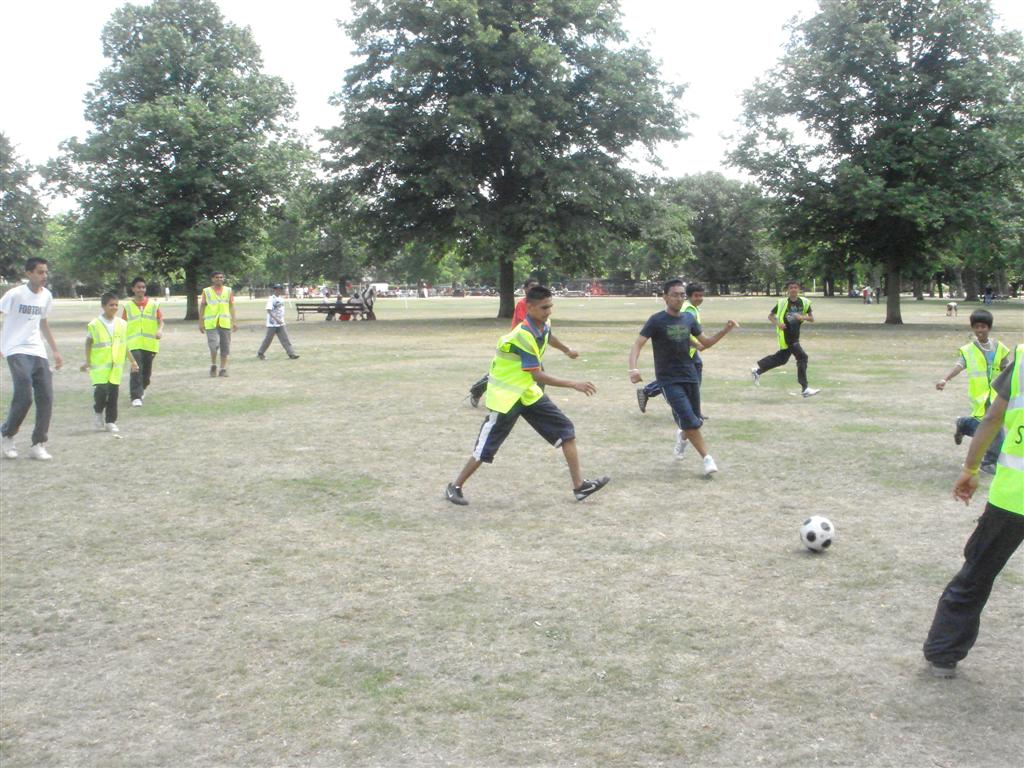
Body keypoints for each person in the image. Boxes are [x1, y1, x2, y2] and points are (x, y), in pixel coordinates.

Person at [445, 285, 609, 505]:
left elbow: (549, 336)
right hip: (506, 398)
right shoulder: (522, 336)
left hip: (527, 394)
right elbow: (537, 375)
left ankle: (580, 487)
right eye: (544, 308)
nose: (549, 311)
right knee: (485, 448)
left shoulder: (542, 324)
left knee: (566, 431)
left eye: (550, 306)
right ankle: (454, 486)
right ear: (529, 307)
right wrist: (574, 384)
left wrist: (566, 350)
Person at [923, 343, 1023, 678]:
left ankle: (942, 653)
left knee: (977, 573)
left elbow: (994, 416)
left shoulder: (1023, 358)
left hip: (1013, 496)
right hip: (1012, 496)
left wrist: (971, 467)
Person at [628, 279, 736, 476]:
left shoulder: (688, 319)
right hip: (668, 379)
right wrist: (633, 369)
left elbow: (705, 343)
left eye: (681, 295)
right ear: (665, 297)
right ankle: (707, 458)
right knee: (689, 419)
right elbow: (637, 345)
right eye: (675, 294)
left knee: (694, 420)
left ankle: (682, 436)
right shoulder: (656, 320)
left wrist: (725, 330)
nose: (679, 298)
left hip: (690, 375)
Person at [0, 257, 64, 460]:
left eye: (46, 272)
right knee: (24, 395)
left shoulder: (47, 296)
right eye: (40, 272)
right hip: (15, 348)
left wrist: (54, 350)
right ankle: (7, 433)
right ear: (28, 273)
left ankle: (38, 443)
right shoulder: (15, 294)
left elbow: (43, 322)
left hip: (37, 350)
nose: (44, 276)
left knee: (46, 395)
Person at [935, 309, 1010, 475]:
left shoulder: (1000, 348)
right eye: (976, 327)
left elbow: (1007, 369)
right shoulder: (969, 350)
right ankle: (989, 462)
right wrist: (945, 379)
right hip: (981, 396)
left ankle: (964, 424)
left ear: (989, 328)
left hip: (997, 395)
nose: (980, 330)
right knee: (995, 428)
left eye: (983, 326)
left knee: (990, 426)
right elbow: (960, 365)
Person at [469, 277, 557, 407]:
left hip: (528, 344)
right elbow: (525, 323)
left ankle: (533, 402)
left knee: (531, 375)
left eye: (536, 286)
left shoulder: (537, 306)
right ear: (525, 289)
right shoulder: (524, 304)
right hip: (518, 344)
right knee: (505, 375)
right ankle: (477, 390)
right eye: (531, 286)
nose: (533, 289)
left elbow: (546, 333)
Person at [751, 280, 820, 397]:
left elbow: (811, 318)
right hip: (787, 336)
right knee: (802, 357)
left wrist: (801, 317)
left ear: (799, 289)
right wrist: (778, 324)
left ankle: (757, 371)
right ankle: (805, 388)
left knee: (782, 359)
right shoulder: (782, 303)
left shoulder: (804, 302)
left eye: (795, 287)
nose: (793, 289)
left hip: (795, 335)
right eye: (791, 288)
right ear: (787, 290)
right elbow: (771, 316)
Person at [81, 293, 139, 433]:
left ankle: (110, 421)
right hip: (100, 366)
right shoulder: (95, 324)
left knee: (113, 394)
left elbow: (124, 345)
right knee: (101, 391)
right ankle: (98, 412)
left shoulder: (122, 324)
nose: (114, 308)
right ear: (103, 306)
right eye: (111, 305)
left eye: (116, 305)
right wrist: (88, 361)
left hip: (115, 367)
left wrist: (133, 362)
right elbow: (88, 342)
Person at [123, 276, 164, 407]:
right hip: (133, 343)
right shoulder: (128, 306)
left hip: (150, 343)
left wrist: (160, 330)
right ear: (133, 289)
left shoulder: (153, 305)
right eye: (138, 287)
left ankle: (142, 388)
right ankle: (135, 396)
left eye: (143, 287)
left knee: (146, 373)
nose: (141, 289)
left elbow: (160, 321)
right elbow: (123, 323)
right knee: (136, 368)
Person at [198, 270, 236, 377]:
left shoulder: (228, 290)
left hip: (225, 322)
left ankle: (223, 369)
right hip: (211, 323)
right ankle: (213, 364)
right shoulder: (206, 291)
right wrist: (200, 322)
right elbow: (202, 307)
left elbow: (232, 306)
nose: (219, 279)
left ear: (223, 279)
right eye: (216, 277)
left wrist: (234, 321)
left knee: (225, 347)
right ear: (212, 279)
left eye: (221, 277)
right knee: (213, 346)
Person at [257, 284, 299, 360]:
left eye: (280, 289)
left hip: (281, 323)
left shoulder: (281, 299)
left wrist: (281, 320)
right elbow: (269, 311)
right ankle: (261, 353)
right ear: (275, 290)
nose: (279, 291)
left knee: (285, 339)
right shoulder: (271, 299)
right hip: (272, 323)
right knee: (268, 339)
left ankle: (291, 354)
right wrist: (276, 319)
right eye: (277, 289)